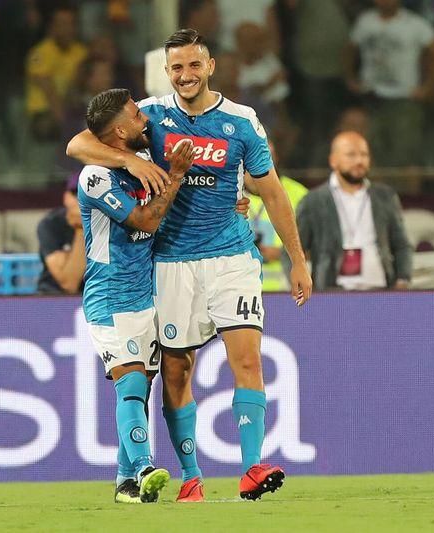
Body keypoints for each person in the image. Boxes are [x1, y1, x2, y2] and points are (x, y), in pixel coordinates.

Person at [67, 29, 312, 502]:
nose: (185, 75)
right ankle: (191, 477)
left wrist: (297, 259)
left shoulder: (242, 121)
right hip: (172, 261)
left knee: (247, 359)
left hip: (232, 256)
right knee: (177, 373)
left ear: (210, 67)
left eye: (194, 65)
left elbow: (273, 191)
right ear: (167, 71)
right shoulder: (151, 116)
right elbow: (78, 144)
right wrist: (130, 162)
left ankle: (251, 468)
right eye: (176, 67)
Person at [77, 88, 195, 503]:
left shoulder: (142, 159)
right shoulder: (96, 177)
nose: (145, 120)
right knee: (129, 381)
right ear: (121, 131)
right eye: (136, 116)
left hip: (145, 295)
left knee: (140, 387)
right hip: (109, 297)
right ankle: (145, 466)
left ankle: (125, 482)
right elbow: (144, 219)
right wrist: (175, 175)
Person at [296, 131, 413, 291]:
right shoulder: (313, 201)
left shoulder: (385, 197)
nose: (359, 160)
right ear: (333, 161)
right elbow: (294, 249)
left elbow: (402, 245)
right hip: (330, 294)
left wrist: (403, 279)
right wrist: (297, 285)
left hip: (380, 292)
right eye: (351, 155)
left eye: (364, 154)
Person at [344, 0, 434, 167]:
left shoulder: (415, 23)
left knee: (405, 155)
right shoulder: (365, 21)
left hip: (404, 99)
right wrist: (350, 79)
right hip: (370, 97)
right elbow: (349, 49)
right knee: (367, 152)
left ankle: (405, 186)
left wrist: (428, 88)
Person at [245, 140, 307, 291]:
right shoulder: (227, 195)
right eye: (252, 157)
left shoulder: (300, 194)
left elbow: (317, 246)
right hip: (240, 287)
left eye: (265, 157)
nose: (258, 163)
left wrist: (282, 254)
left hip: (285, 289)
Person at [25, 6, 87, 141]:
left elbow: (79, 86)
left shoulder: (81, 52)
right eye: (62, 24)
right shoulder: (40, 53)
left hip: (72, 108)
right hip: (43, 113)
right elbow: (51, 94)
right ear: (52, 27)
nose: (67, 29)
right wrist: (68, 125)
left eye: (71, 24)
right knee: (47, 127)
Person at [36, 175, 86, 295]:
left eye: (88, 195)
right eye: (76, 194)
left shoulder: (112, 220)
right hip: (55, 296)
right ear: (66, 197)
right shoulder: (52, 223)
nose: (81, 200)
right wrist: (80, 229)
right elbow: (69, 284)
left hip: (98, 296)